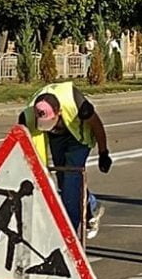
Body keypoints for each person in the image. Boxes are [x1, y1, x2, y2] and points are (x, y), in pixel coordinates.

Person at [18, 80, 112, 239]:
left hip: (79, 139)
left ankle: (69, 238)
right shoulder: (27, 117)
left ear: (59, 112)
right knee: (63, 180)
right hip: (58, 139)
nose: (50, 127)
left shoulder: (77, 103)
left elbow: (96, 124)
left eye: (51, 122)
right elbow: (24, 145)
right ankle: (91, 204)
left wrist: (103, 153)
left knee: (70, 185)